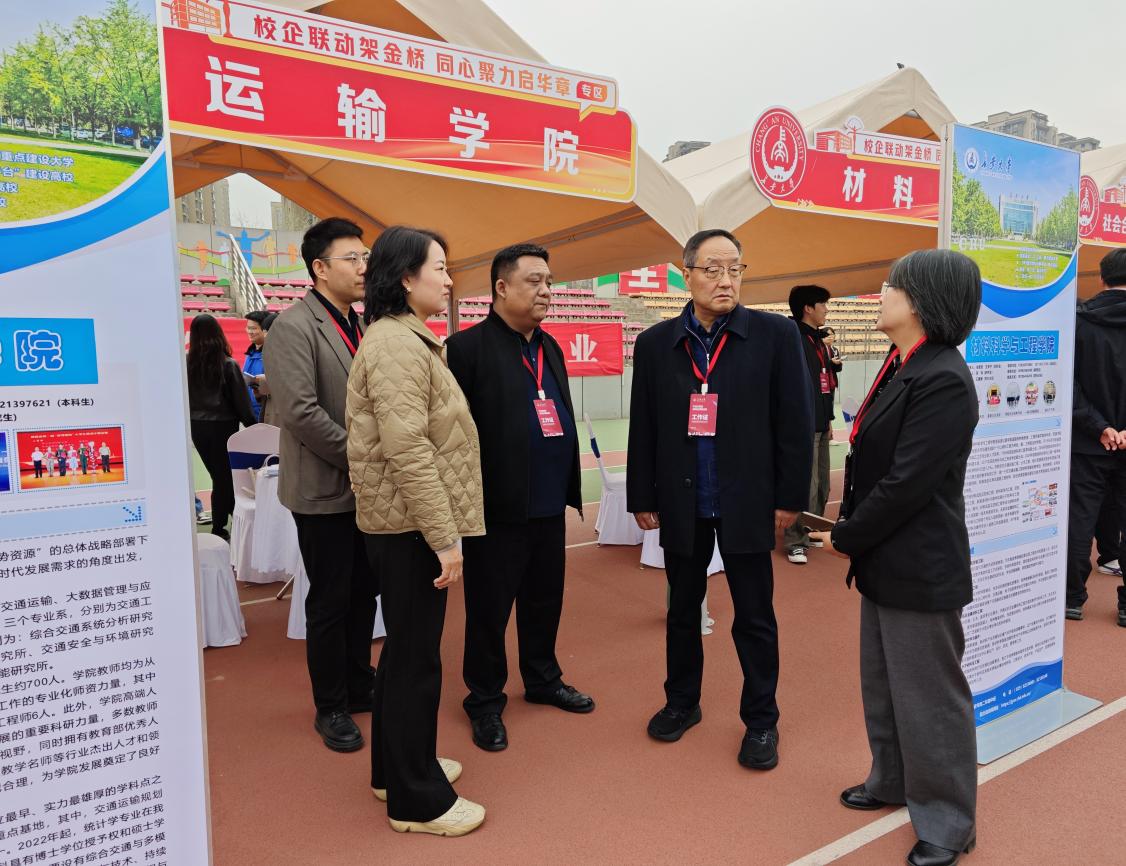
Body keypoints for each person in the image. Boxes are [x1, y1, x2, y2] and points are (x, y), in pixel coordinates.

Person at [815, 249, 982, 866]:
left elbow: (907, 483)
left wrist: (847, 535)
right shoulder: (902, 362)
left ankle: (948, 823)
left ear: (923, 301)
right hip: (887, 559)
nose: (881, 292)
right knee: (884, 685)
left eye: (894, 285)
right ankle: (891, 779)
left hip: (919, 563)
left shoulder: (943, 378)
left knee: (930, 698)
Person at [627, 228, 812, 770]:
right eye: (712, 269)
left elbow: (795, 424)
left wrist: (789, 498)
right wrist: (642, 493)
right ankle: (682, 702)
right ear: (686, 275)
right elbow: (644, 426)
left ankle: (761, 720)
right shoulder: (656, 344)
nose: (725, 279)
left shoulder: (776, 336)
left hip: (748, 500)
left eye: (734, 269)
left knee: (754, 616)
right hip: (683, 500)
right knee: (682, 611)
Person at [347, 225, 486, 837]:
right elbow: (408, 451)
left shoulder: (403, 338)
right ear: (406, 278)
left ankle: (396, 770)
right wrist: (444, 537)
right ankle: (417, 799)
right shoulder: (397, 345)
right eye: (440, 268)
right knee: (415, 662)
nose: (449, 280)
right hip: (410, 528)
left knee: (406, 654)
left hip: (405, 525)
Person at [446, 243, 593, 754]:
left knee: (544, 600)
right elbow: (452, 437)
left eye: (549, 281)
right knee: (489, 610)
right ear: (501, 287)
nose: (546, 291)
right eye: (535, 281)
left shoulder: (550, 347)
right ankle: (485, 700)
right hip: (496, 509)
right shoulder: (465, 350)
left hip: (549, 503)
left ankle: (542, 679)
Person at [264, 217, 380, 752]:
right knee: (331, 600)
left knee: (363, 592)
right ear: (319, 268)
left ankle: (359, 683)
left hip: (365, 490)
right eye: (351, 258)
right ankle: (330, 705)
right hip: (323, 489)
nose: (363, 267)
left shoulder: (362, 324)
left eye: (365, 257)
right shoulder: (294, 326)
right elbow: (301, 413)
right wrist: (365, 457)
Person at [1065, 248, 1126, 626]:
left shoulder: (1078, 320)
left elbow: (1066, 383)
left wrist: (1098, 426)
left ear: (1102, 278)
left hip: (1087, 441)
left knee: (1079, 518)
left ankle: (1071, 597)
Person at [186, 313, 257, 541]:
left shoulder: (186, 363)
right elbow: (242, 403)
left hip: (197, 426)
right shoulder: (228, 364)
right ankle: (222, 524)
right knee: (224, 476)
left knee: (218, 476)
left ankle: (225, 522)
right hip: (223, 426)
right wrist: (254, 427)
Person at [784, 284, 834, 565]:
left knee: (822, 484)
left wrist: (828, 419)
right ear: (808, 308)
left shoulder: (819, 341)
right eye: (823, 304)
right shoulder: (794, 340)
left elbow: (824, 384)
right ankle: (795, 540)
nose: (827, 309)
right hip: (804, 426)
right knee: (805, 485)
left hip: (822, 422)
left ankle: (811, 530)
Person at [242, 310, 271, 421]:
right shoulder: (250, 353)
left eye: (253, 328)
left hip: (264, 414)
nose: (250, 332)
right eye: (248, 328)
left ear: (265, 330)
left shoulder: (271, 354)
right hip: (249, 413)